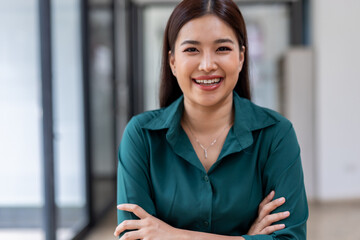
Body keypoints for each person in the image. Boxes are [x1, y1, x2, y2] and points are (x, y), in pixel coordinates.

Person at [114, 0, 308, 239]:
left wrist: (174, 235)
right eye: (192, 50)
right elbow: (134, 236)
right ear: (172, 61)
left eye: (222, 49)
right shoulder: (141, 136)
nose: (207, 65)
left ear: (241, 57)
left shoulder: (276, 134)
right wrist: (248, 237)